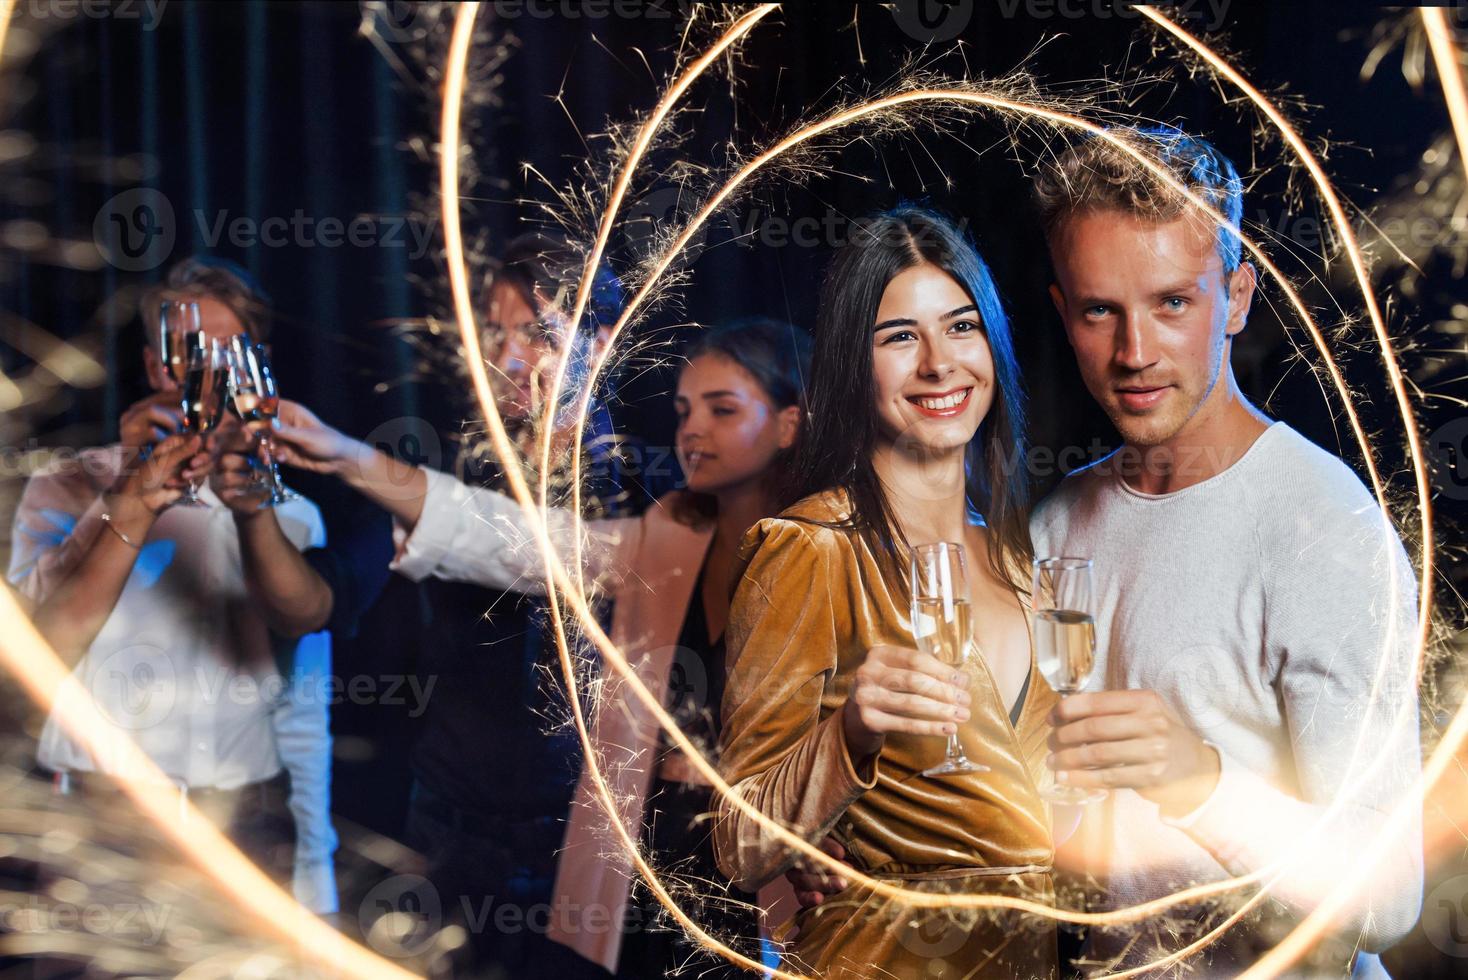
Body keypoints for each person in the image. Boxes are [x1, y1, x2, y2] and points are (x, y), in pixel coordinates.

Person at [268, 319, 812, 978]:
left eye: (722, 409)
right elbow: (515, 540)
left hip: (785, 864)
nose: (692, 428)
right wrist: (344, 454)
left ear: (790, 423)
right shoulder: (673, 529)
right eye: (685, 409)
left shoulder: (837, 546)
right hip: (654, 860)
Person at [1025, 128, 1423, 975]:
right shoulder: (1054, 525)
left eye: (1174, 302)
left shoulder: (1325, 530)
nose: (1135, 353)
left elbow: (1388, 899)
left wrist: (1199, 782)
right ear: (1064, 314)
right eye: (1102, 310)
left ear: (1237, 299)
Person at [712, 207, 1059, 979]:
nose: (939, 364)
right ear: (851, 365)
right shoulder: (811, 549)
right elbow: (739, 842)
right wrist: (850, 732)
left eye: (961, 327)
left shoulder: (1018, 557)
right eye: (900, 337)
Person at [7, 257, 340, 915]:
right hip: (103, 819)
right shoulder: (64, 486)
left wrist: (316, 865)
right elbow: (41, 649)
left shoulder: (293, 511)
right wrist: (127, 489)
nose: (205, 370)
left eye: (226, 350)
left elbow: (304, 699)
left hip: (245, 818)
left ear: (257, 364)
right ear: (156, 365)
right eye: (186, 351)